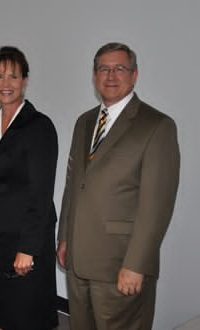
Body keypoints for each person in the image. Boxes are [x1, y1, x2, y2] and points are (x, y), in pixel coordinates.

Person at [57, 42, 180, 330]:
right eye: (104, 69)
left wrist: (137, 264)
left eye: (120, 68)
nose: (111, 76)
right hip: (78, 260)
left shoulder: (157, 126)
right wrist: (64, 237)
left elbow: (157, 206)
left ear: (134, 75)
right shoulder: (84, 122)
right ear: (94, 75)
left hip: (120, 264)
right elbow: (73, 185)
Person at [0, 46, 59, 330]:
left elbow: (41, 193)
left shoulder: (39, 127)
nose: (5, 84)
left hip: (20, 241)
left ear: (25, 81)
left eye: (13, 77)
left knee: (19, 317)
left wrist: (28, 249)